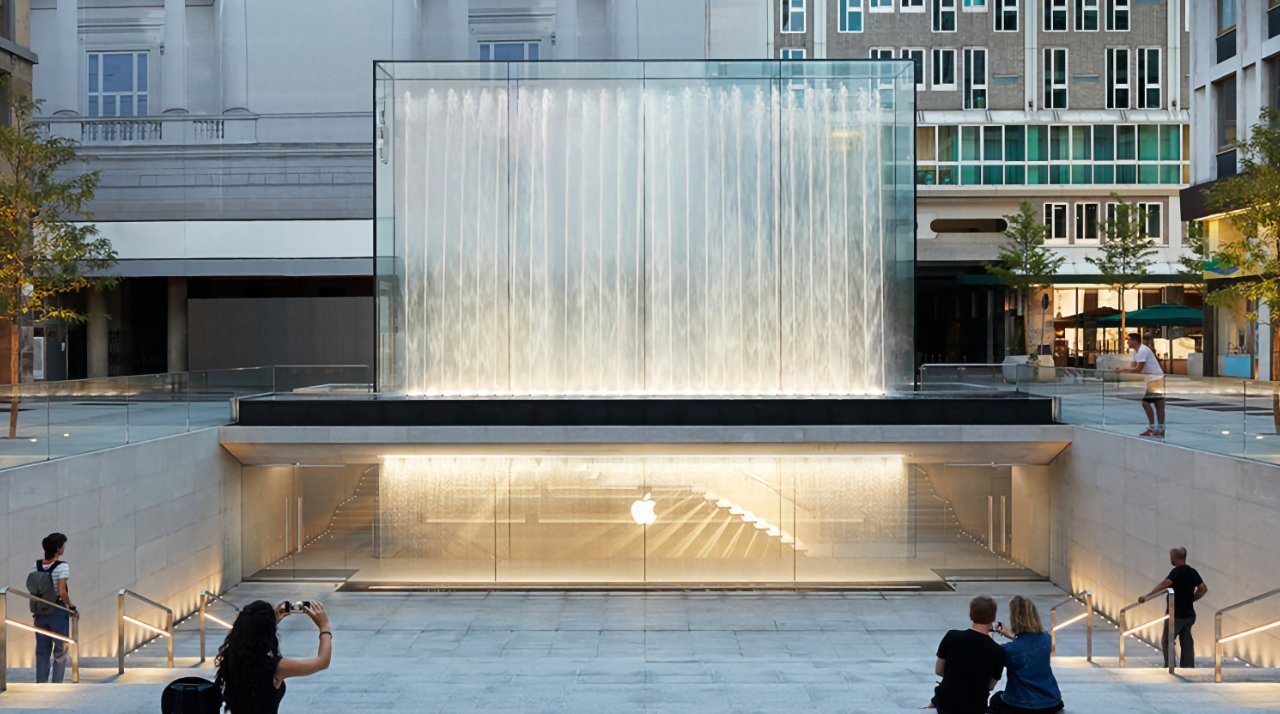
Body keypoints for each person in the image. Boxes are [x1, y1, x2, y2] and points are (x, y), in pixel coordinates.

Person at [215, 600, 332, 713]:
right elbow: (322, 662)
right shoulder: (276, 667)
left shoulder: (232, 657)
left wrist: (269, 623)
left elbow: (249, 634)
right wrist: (324, 627)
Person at [928, 595, 1006, 714]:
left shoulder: (952, 637)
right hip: (975, 706)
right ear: (993, 617)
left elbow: (939, 671)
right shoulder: (998, 651)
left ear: (970, 614)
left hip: (948, 704)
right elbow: (990, 686)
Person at [990, 596, 1064, 714]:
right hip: (1052, 700)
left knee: (995, 700)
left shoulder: (1009, 650)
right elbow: (1028, 646)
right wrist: (1012, 635)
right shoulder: (1046, 638)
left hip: (1023, 703)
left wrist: (989, 635)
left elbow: (990, 654)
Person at [1138, 546, 1207, 668]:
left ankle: (1170, 666)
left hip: (1176, 614)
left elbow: (1166, 583)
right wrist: (1191, 600)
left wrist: (1147, 596)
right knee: (1186, 641)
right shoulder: (1192, 571)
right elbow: (1203, 588)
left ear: (1175, 557)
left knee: (1167, 641)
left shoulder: (1177, 571)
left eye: (1171, 556)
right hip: (1189, 615)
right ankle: (1188, 667)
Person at [30, 533, 76, 683]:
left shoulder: (36, 565)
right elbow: (62, 592)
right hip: (57, 610)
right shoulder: (62, 566)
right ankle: (57, 684)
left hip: (39, 612)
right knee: (60, 650)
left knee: (42, 650)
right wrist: (71, 606)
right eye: (63, 545)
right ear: (58, 548)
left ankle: (40, 683)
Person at [1116, 333, 1165, 437]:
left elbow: (1138, 369)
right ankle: (1160, 429)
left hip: (1156, 379)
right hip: (1152, 379)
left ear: (1135, 341)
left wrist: (1122, 371)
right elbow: (1134, 366)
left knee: (1146, 403)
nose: (1127, 342)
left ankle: (1153, 428)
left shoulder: (1143, 350)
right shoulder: (1135, 351)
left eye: (1128, 339)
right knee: (1158, 404)